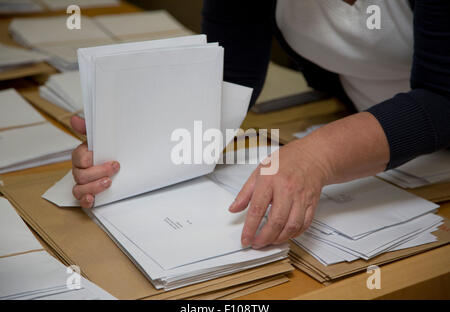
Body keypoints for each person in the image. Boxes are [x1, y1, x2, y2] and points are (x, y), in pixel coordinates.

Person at [70, 0, 450, 250]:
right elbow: (230, 73)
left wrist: (318, 157)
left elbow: (443, 97)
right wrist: (137, 140)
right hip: (377, 150)